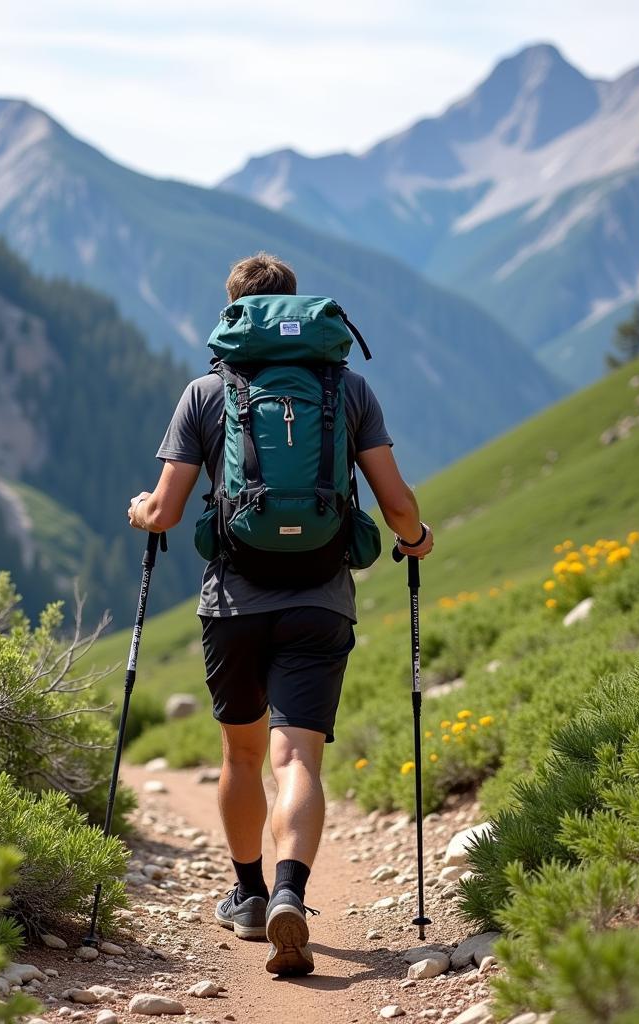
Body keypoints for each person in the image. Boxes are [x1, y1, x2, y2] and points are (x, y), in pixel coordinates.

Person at [126, 252, 434, 977]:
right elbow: (395, 503)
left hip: (233, 599)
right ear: (296, 310)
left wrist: (141, 512)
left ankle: (250, 895)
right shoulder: (349, 389)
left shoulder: (206, 392)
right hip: (320, 599)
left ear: (234, 312)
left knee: (242, 753)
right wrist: (416, 538)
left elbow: (166, 510)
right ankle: (293, 889)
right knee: (298, 757)